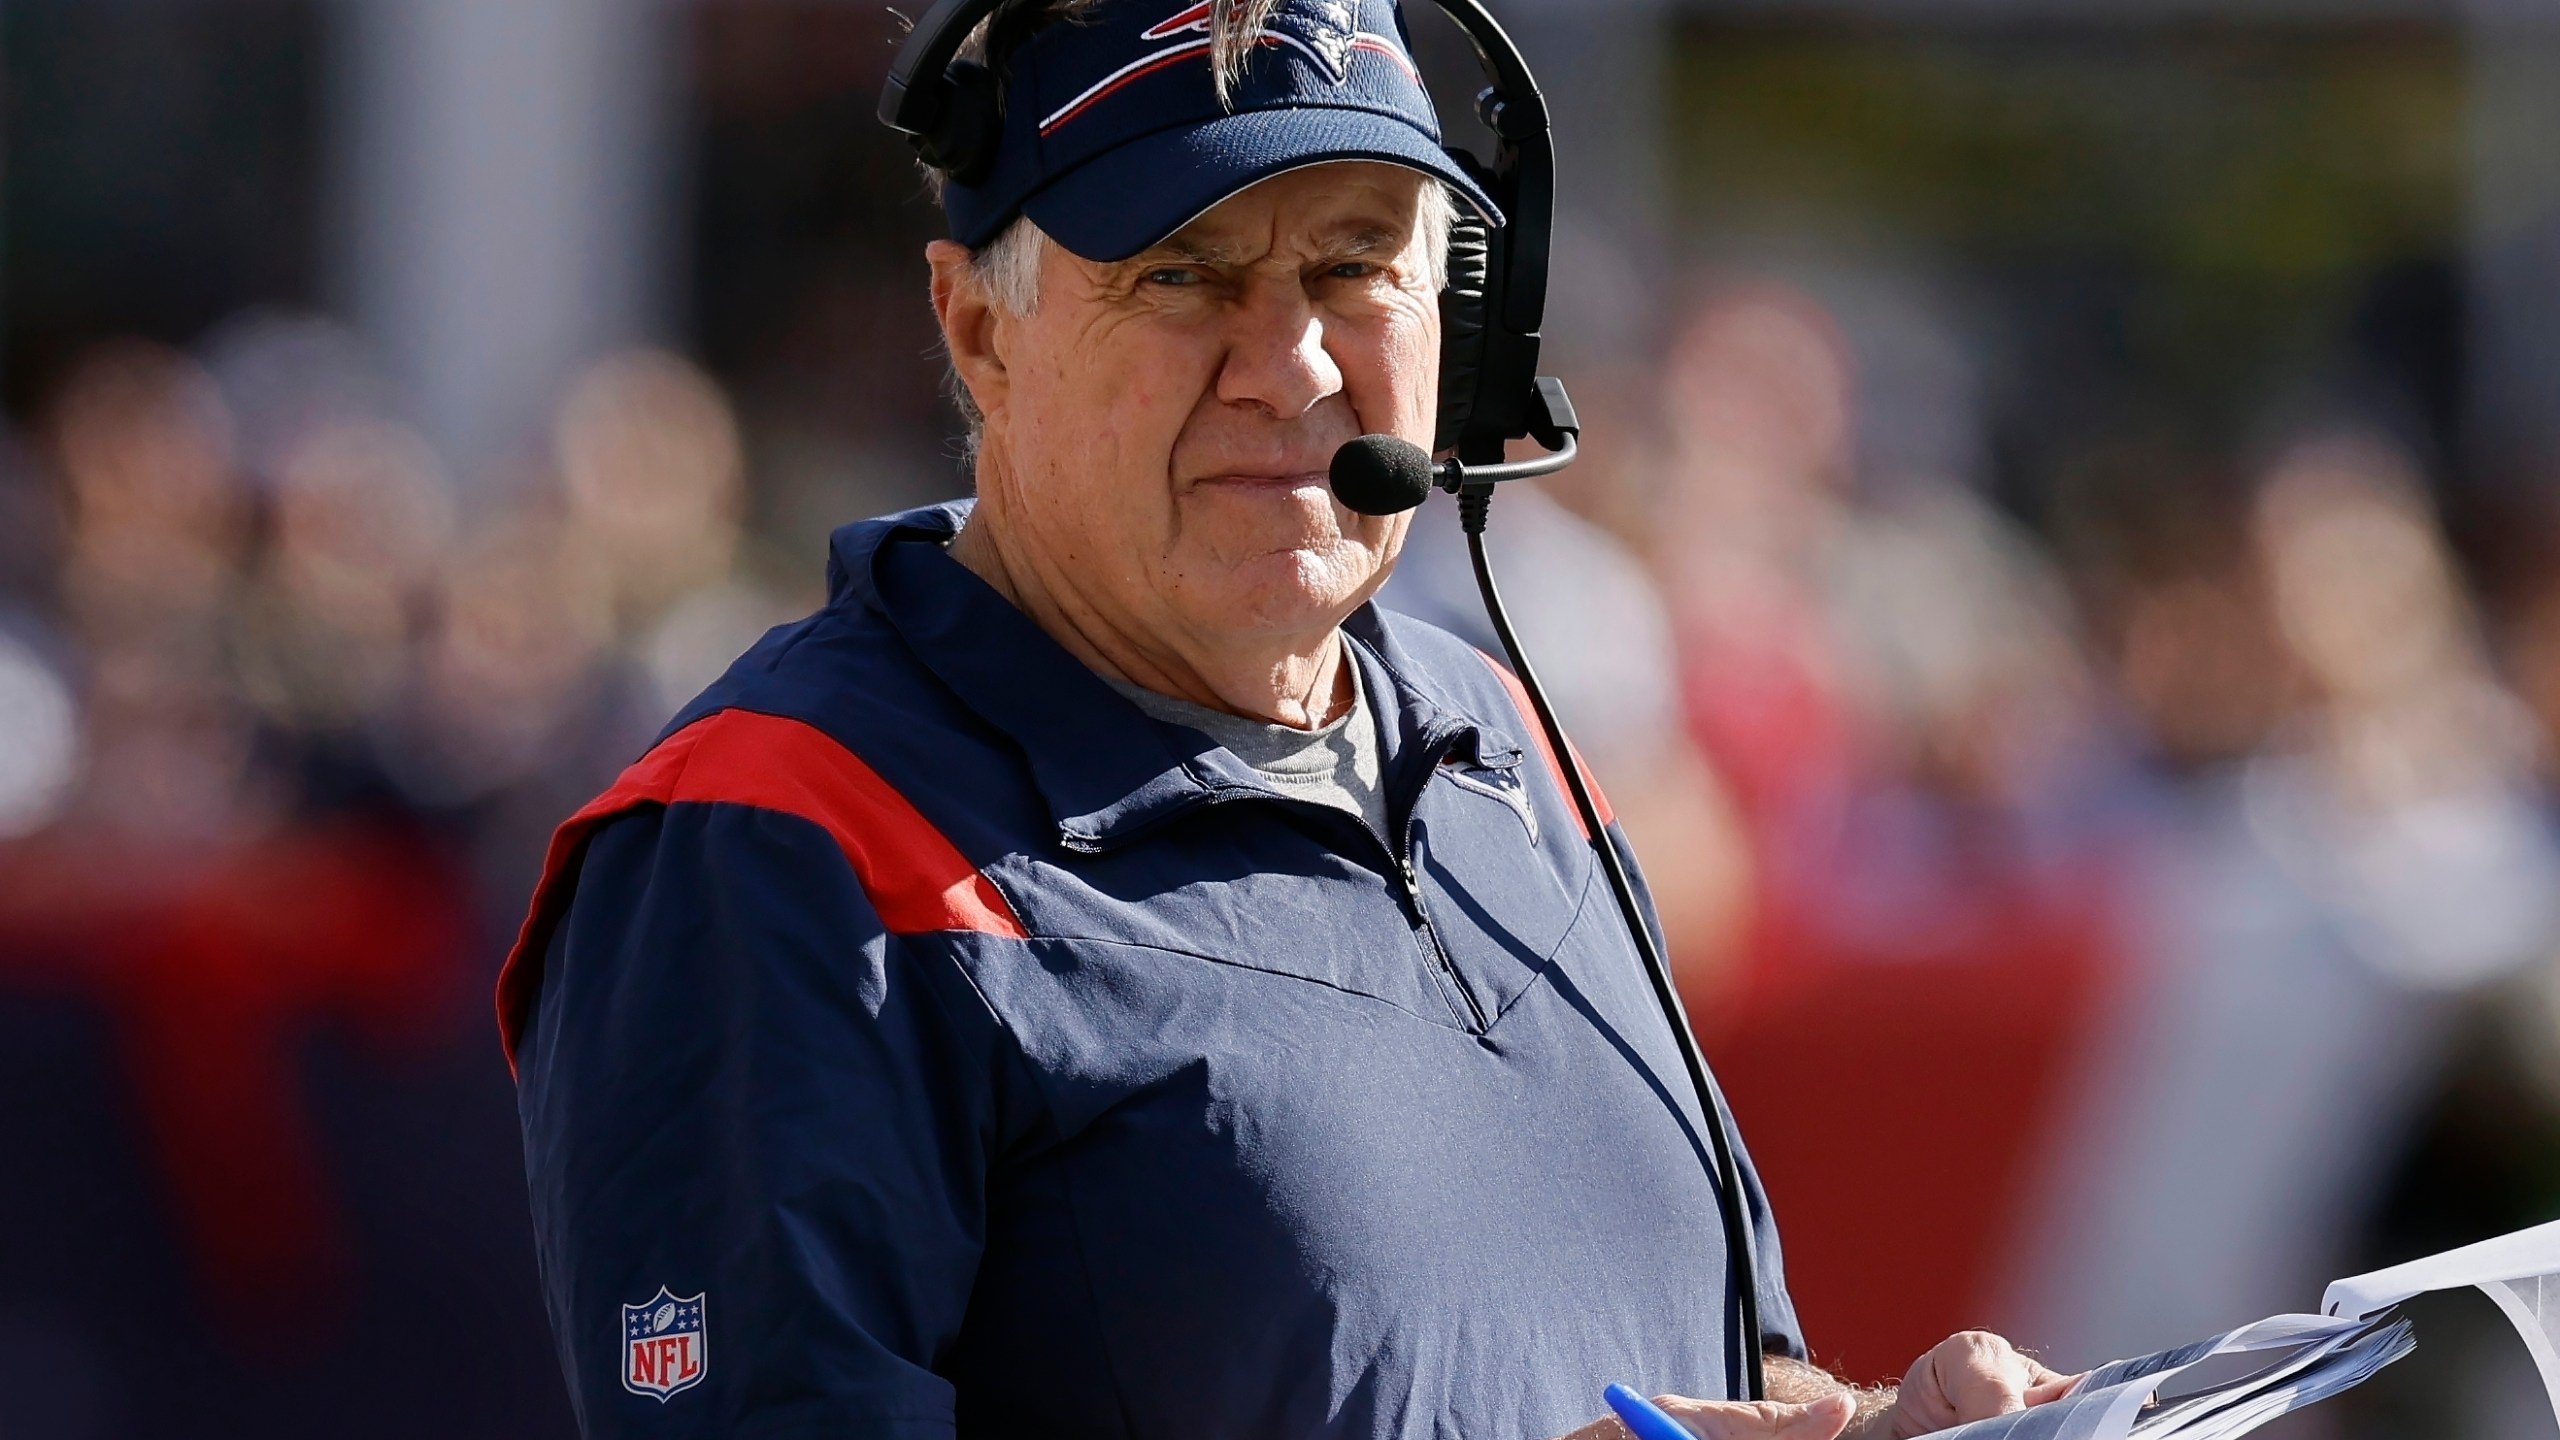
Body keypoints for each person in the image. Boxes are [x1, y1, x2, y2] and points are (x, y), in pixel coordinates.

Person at [497, 1, 2077, 1435]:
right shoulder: (780, 836)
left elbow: (1704, 1365)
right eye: (1181, 275)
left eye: (1354, 265)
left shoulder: (1508, 747)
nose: (1291, 364)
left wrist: (1879, 1427)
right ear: (980, 333)